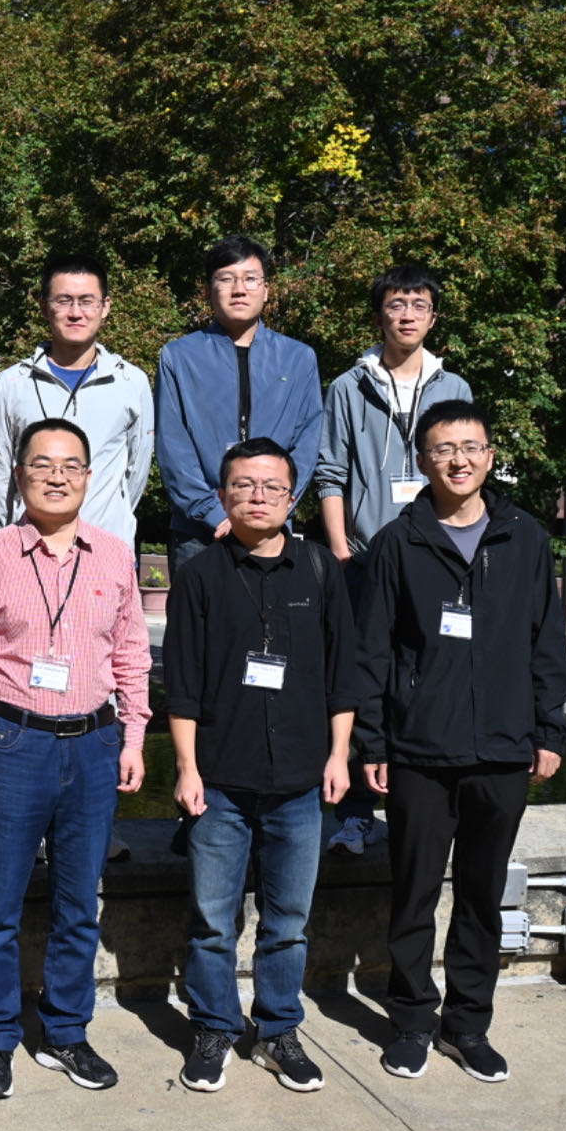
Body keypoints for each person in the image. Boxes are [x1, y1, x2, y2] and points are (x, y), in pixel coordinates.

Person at [351, 399, 566, 1085]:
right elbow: (372, 653)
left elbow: (547, 639)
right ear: (423, 461)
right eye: (444, 449)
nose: (459, 460)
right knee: (414, 894)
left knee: (482, 896)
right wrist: (373, 743)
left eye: (471, 447)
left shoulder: (524, 538)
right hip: (419, 750)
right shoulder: (398, 543)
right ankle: (412, 1022)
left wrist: (550, 727)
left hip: (503, 749)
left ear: (490, 456)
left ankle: (468, 1025)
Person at [0, 418, 151, 1101]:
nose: (56, 477)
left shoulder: (115, 556)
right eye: (42, 464)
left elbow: (132, 654)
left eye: (70, 466)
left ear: (89, 477)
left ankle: (65, 1032)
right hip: (13, 743)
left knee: (78, 904)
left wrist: (134, 738)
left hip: (93, 744)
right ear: (19, 474)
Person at [163, 437, 357, 1093]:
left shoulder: (321, 569)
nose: (257, 496)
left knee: (288, 924)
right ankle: (214, 1027)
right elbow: (183, 684)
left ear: (293, 498)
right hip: (220, 779)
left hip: (300, 781)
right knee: (212, 922)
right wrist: (186, 768)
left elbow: (343, 674)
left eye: (272, 486)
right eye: (243, 485)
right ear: (222, 495)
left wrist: (339, 755)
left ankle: (278, 1030)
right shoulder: (199, 576)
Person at [315, 264, 473, 858]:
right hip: (363, 558)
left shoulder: (454, 387)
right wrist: (339, 549)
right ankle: (356, 813)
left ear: (433, 317)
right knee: (363, 681)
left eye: (418, 305)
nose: (407, 315)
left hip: (434, 557)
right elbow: (330, 472)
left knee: (431, 677)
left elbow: (464, 472)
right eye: (396, 304)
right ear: (379, 313)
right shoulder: (348, 386)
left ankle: (422, 808)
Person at [155, 236, 324, 573]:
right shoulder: (179, 357)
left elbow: (307, 443)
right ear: (208, 291)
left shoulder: (298, 358)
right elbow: (173, 447)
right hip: (200, 531)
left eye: (250, 279)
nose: (239, 289)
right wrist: (213, 513)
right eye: (226, 279)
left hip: (272, 526)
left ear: (266, 290)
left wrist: (273, 505)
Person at [0, 253, 154, 553]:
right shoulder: (11, 385)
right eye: (64, 301)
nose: (76, 313)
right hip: (29, 552)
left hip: (106, 551)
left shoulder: (131, 383)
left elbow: (135, 474)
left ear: (105, 307)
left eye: (87, 301)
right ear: (44, 307)